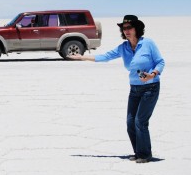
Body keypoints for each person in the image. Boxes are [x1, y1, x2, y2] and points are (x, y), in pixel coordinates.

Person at [69, 15, 165, 163]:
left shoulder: (148, 44)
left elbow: (160, 62)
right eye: (124, 28)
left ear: (137, 28)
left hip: (150, 88)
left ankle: (145, 155)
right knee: (130, 122)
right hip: (134, 89)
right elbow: (105, 56)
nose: (126, 31)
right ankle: (138, 152)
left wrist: (152, 74)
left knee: (140, 121)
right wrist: (82, 57)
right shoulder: (123, 47)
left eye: (129, 28)